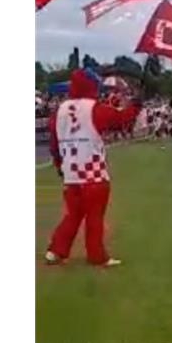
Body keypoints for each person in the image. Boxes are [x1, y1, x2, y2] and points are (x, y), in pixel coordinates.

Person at [44, 69, 137, 267]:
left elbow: (53, 142)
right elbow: (121, 120)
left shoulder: (60, 110)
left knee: (73, 214)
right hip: (93, 171)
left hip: (70, 171)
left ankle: (56, 250)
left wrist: (58, 164)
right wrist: (136, 104)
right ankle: (96, 255)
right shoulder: (94, 108)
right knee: (95, 216)